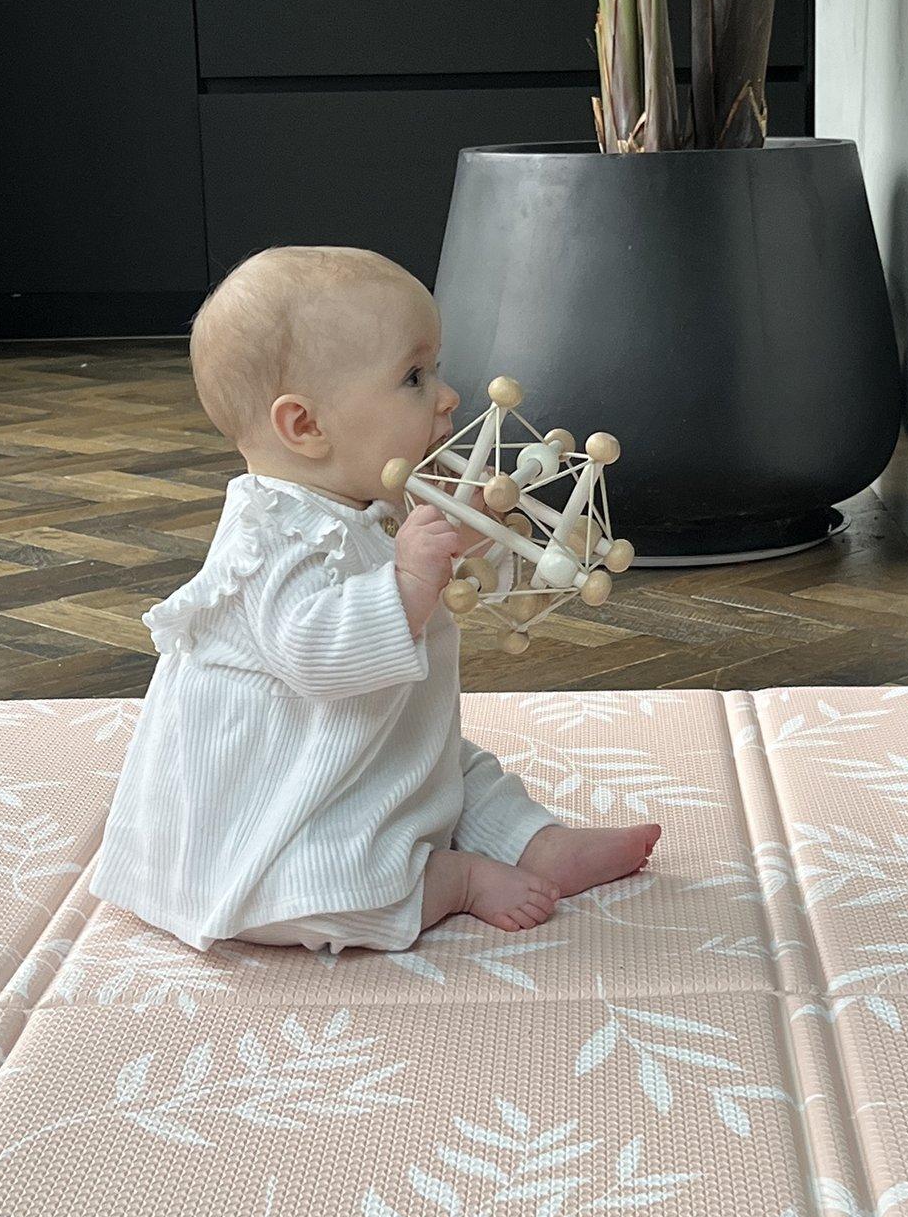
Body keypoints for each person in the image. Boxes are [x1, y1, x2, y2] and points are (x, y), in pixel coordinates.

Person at [90, 245, 660, 954]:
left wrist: (473, 542)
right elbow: (314, 654)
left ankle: (539, 844)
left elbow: (447, 584)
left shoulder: (370, 499)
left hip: (366, 746)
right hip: (278, 802)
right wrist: (409, 582)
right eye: (414, 377)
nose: (448, 397)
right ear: (306, 427)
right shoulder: (266, 540)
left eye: (436, 369)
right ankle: (447, 881)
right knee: (326, 883)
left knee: (452, 767)